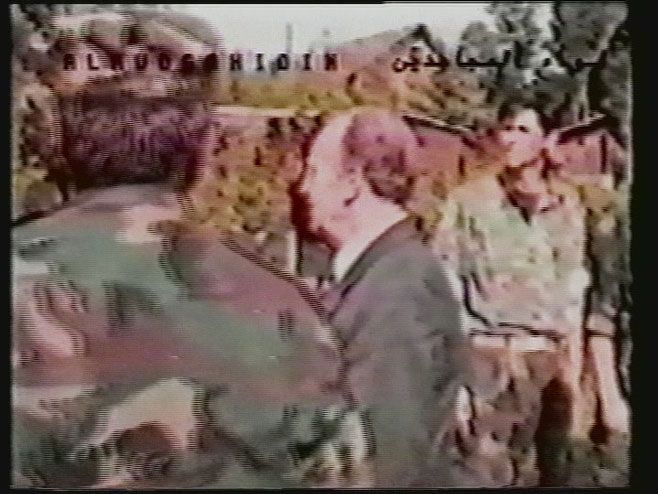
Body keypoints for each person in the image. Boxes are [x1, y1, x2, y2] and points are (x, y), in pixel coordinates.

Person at [290, 108, 468, 487]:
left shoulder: (397, 290)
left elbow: (383, 455)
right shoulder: (382, 273)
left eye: (314, 172)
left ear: (352, 182)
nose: (303, 188)